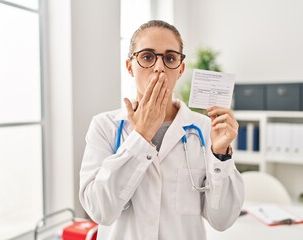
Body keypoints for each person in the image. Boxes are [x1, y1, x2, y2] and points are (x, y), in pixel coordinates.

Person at [79, 20, 244, 240]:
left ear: (181, 69)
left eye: (169, 58)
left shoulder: (205, 129)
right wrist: (141, 136)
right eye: (147, 57)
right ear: (130, 66)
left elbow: (222, 220)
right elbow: (100, 210)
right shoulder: (104, 126)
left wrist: (220, 155)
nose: (159, 67)